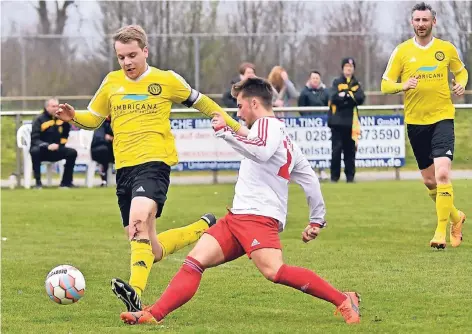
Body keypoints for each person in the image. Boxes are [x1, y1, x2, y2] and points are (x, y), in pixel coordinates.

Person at [119, 77, 361, 326]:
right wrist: (316, 220)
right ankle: (153, 314)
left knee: (274, 271)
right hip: (237, 217)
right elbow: (309, 178)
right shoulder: (279, 135)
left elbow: (260, 150)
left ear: (254, 103)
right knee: (194, 261)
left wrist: (226, 133)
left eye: (240, 105)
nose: (238, 112)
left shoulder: (268, 126)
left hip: (258, 217)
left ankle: (343, 299)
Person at [55, 25, 249, 312]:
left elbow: (203, 102)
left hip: (155, 163)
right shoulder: (111, 83)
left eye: (132, 55)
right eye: (121, 57)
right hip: (125, 169)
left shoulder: (166, 80)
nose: (127, 62)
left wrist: (237, 128)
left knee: (137, 221)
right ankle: (201, 228)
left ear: (145, 51)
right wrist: (74, 117)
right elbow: (94, 118)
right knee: (148, 246)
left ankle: (135, 294)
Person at [381, 2, 468, 249]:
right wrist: (403, 85)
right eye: (417, 20)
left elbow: (461, 72)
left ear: (433, 22)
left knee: (442, 174)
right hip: (416, 123)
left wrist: (460, 84)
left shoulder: (446, 49)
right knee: (430, 181)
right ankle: (456, 217)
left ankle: (440, 232)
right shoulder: (401, 52)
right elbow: (385, 85)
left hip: (442, 118)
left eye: (425, 20)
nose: (421, 24)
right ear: (412, 23)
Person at [328, 58, 365, 183]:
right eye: (346, 66)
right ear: (342, 68)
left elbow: (360, 98)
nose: (349, 68)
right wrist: (347, 99)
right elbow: (333, 98)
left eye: (351, 66)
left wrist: (345, 96)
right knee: (336, 151)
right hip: (337, 123)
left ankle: (350, 177)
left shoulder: (356, 83)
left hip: (351, 123)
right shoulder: (337, 82)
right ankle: (334, 177)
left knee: (350, 152)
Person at [30, 97, 77, 189]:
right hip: (43, 150)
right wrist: (47, 146)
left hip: (56, 149)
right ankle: (38, 183)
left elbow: (65, 135)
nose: (56, 108)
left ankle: (66, 183)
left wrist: (60, 145)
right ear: (47, 107)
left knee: (72, 153)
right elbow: (34, 139)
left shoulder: (62, 119)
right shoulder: (39, 119)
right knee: (34, 151)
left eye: (57, 106)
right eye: (53, 106)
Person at [298, 70, 330, 181]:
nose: (315, 80)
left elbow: (328, 106)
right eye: (313, 78)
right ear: (309, 79)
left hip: (322, 125)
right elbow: (301, 107)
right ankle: (311, 170)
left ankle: (322, 170)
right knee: (310, 148)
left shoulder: (326, 92)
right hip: (309, 125)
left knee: (321, 147)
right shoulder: (304, 92)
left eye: (317, 78)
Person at [91, 116, 115, 187]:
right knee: (103, 151)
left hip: (112, 150)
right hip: (99, 150)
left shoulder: (116, 122)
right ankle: (104, 180)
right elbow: (100, 138)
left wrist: (112, 138)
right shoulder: (101, 123)